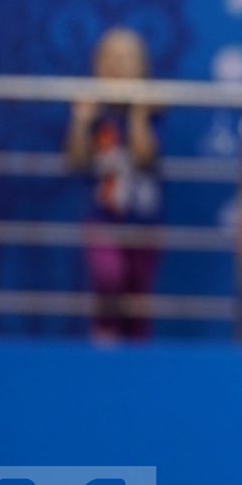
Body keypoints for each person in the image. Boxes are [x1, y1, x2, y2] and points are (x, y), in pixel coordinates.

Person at [64, 28, 162, 343]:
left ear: (143, 68)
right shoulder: (93, 111)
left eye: (128, 58)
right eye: (113, 58)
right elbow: (76, 161)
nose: (120, 65)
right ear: (98, 66)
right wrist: (80, 121)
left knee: (137, 297)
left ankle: (137, 362)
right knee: (108, 276)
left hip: (144, 222)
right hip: (103, 218)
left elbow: (146, 157)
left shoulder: (154, 108)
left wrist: (137, 113)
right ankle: (104, 345)